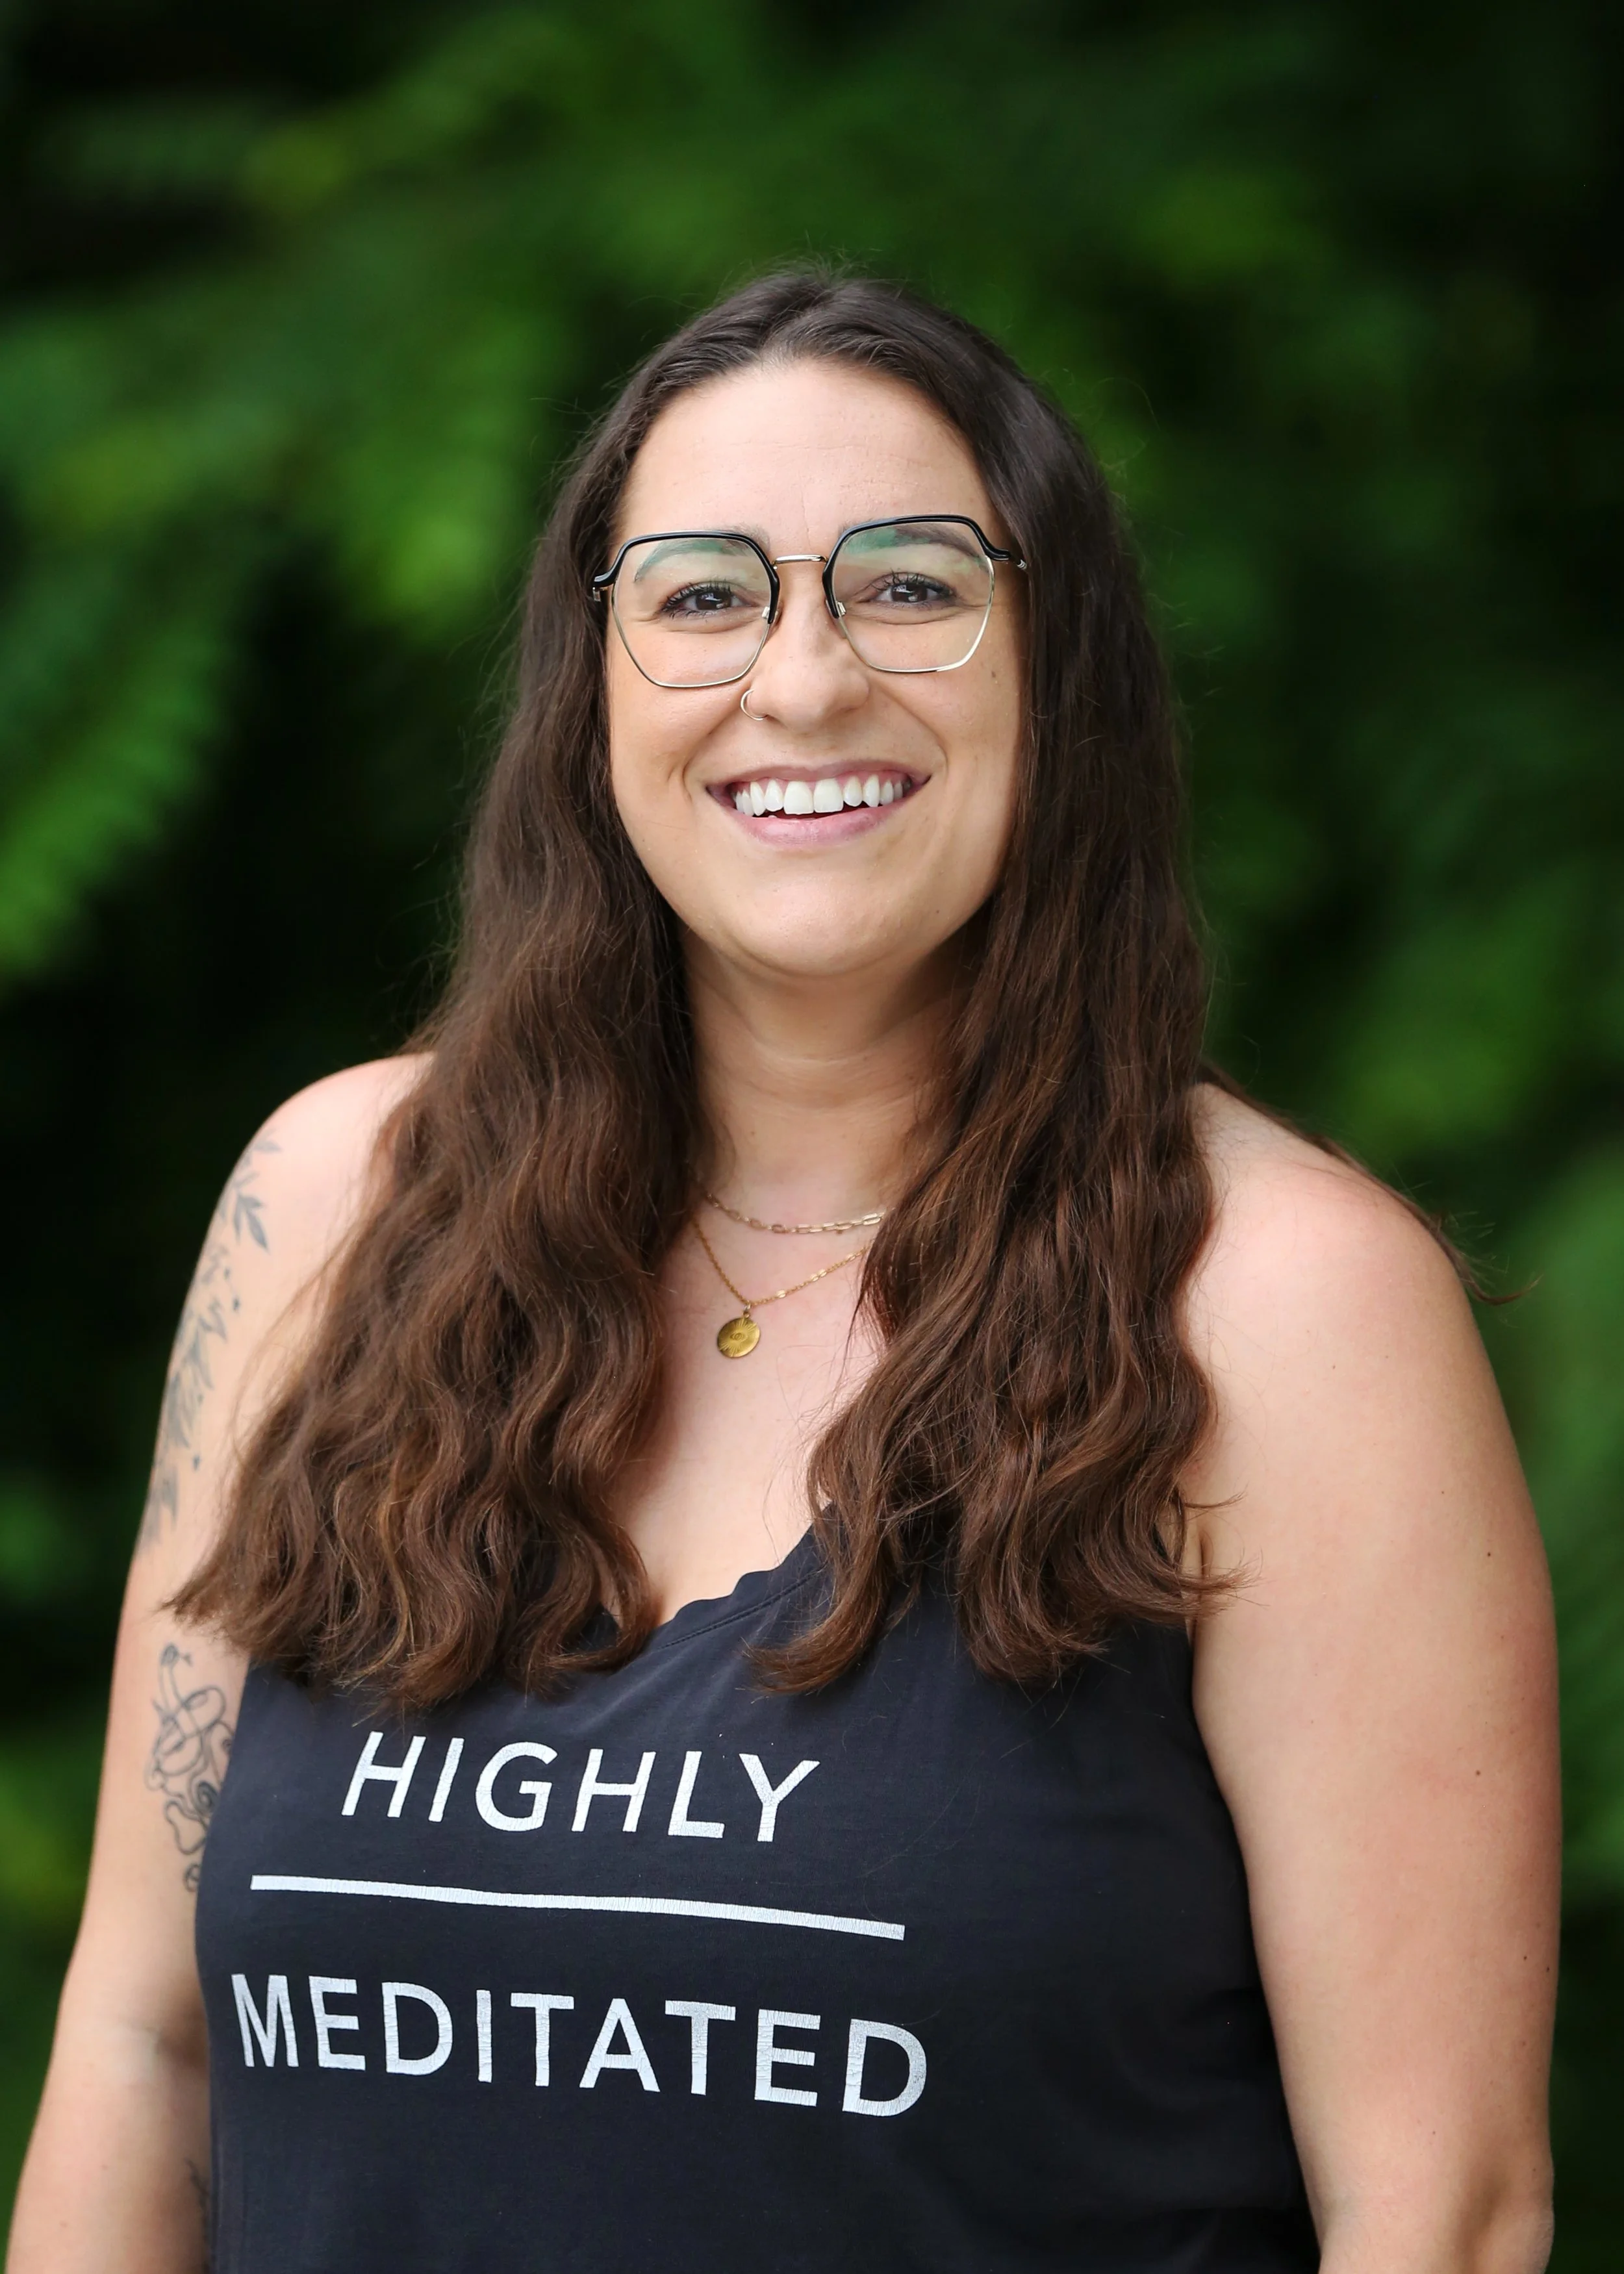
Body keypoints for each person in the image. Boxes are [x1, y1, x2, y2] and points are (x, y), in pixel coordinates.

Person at [8, 273, 1558, 2274]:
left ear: (1053, 668)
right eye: (702, 592)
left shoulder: (1282, 1306)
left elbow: (1438, 2212)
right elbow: (145, 2051)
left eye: (909, 585)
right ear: (596, 682)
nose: (803, 681)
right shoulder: (333, 1208)